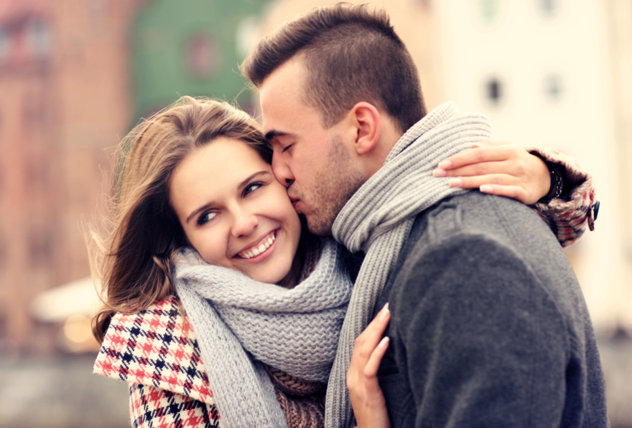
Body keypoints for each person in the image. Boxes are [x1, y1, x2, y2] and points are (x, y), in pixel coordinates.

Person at [90, 96, 597, 427]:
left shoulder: (356, 250)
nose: (242, 222)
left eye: (252, 188)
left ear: (285, 178)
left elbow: (545, 230)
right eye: (207, 216)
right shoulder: (169, 355)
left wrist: (543, 177)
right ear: (184, 239)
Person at [241, 4, 607, 427]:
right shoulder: (380, 240)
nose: (279, 172)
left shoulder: (463, 258)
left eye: (286, 146)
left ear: (361, 128)